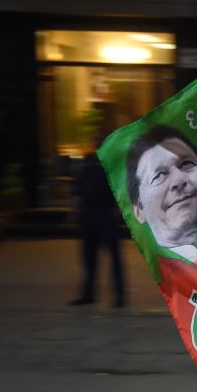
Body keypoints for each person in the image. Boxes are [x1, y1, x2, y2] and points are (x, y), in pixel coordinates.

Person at [125, 125, 197, 261]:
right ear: (139, 209)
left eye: (186, 164)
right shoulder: (164, 273)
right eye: (158, 175)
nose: (178, 180)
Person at [69, 127, 126, 307]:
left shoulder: (113, 162)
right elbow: (78, 188)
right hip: (89, 213)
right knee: (88, 257)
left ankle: (119, 296)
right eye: (97, 140)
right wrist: (76, 211)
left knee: (114, 257)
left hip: (106, 213)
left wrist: (118, 210)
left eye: (101, 139)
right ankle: (88, 294)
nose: (98, 143)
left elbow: (121, 189)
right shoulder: (88, 161)